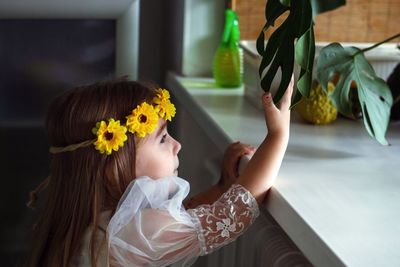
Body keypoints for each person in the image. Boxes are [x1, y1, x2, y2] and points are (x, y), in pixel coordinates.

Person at [23, 76, 293, 267]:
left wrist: (222, 187)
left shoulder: (93, 221)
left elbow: (183, 215)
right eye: (163, 138)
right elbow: (232, 215)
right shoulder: (130, 233)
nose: (177, 145)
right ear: (113, 165)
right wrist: (278, 136)